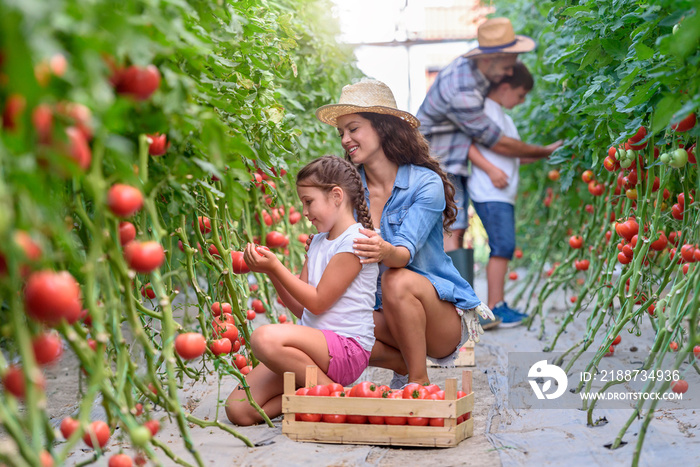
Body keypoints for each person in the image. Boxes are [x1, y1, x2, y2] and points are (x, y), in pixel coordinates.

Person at [315, 79, 494, 388]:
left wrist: (384, 251)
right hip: (384, 316)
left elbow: (402, 255)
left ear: (383, 128)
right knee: (328, 322)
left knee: (396, 278)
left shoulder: (425, 184)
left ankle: (418, 380)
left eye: (353, 129)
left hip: (439, 320)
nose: (345, 139)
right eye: (341, 132)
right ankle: (400, 362)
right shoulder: (346, 189)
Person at [416, 17, 562, 326]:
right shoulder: (463, 88)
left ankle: (463, 309)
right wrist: (545, 151)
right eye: (508, 64)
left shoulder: (479, 76)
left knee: (456, 228)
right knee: (452, 229)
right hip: (438, 160)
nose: (509, 71)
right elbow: (495, 141)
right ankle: (456, 311)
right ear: (491, 58)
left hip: (452, 159)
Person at [225, 155, 378, 426]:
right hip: (316, 351)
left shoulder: (355, 242)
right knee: (239, 410)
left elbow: (318, 303)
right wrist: (271, 272)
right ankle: (310, 395)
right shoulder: (318, 243)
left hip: (346, 349)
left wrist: (277, 266)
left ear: (336, 196)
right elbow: (301, 307)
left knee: (264, 338)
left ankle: (336, 396)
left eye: (309, 202)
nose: (305, 212)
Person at [467, 62, 537, 326]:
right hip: (489, 192)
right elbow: (469, 145)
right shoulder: (486, 110)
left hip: (500, 194)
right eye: (520, 95)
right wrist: (491, 169)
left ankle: (498, 304)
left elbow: (513, 156)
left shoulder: (503, 117)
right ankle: (495, 307)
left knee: (503, 247)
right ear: (505, 87)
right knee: (503, 246)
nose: (521, 101)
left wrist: (545, 154)